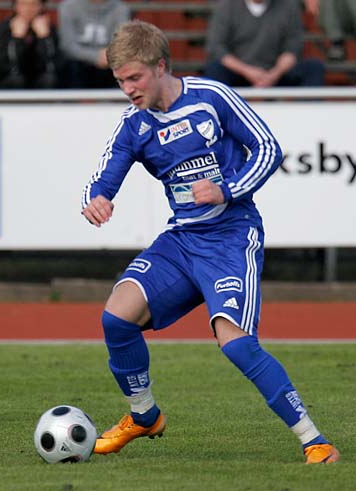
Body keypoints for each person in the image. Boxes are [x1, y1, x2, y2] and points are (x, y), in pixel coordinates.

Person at [81, 20, 339, 464]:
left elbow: (268, 149)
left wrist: (227, 189)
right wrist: (98, 198)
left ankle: (314, 439)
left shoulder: (212, 97)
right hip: (182, 240)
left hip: (231, 236)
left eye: (135, 78)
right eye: (120, 80)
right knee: (117, 318)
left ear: (161, 66)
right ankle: (144, 416)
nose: (127, 89)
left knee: (236, 344)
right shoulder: (135, 124)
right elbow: (107, 170)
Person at [204, 0, 325, 87]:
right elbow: (216, 48)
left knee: (313, 68)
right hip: (239, 72)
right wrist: (248, 71)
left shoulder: (288, 6)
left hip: (276, 72)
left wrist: (274, 74)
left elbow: (293, 47)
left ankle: (308, 120)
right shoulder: (227, 6)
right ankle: (217, 118)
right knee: (214, 69)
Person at [57, 0, 130, 88]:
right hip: (77, 65)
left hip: (108, 63)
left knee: (122, 66)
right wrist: (95, 57)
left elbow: (120, 43)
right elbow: (67, 45)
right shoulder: (68, 7)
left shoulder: (121, 8)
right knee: (71, 67)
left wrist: (107, 55)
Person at [0, 0, 59, 89]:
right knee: (16, 80)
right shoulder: (2, 29)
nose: (28, 9)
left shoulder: (49, 29)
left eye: (34, 4)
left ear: (42, 7)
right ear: (15, 6)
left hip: (38, 80)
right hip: (7, 81)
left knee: (49, 79)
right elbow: (0, 67)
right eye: (23, 4)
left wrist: (44, 38)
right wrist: (16, 39)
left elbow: (52, 66)